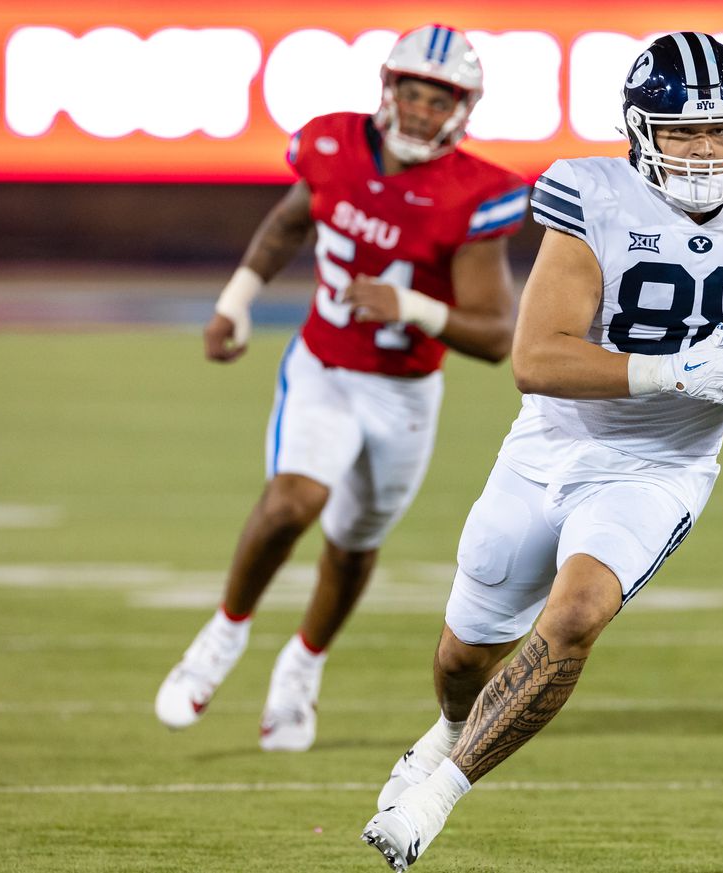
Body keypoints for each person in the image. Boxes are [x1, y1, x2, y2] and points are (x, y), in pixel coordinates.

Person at [360, 31, 723, 869]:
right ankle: (450, 728)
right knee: (464, 654)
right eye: (682, 131)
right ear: (641, 131)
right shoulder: (591, 195)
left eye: (721, 130)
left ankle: (436, 794)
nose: (705, 148)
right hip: (550, 447)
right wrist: (677, 370)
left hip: (659, 469)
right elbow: (536, 359)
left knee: (573, 619)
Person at [153, 24, 528, 753]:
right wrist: (235, 298)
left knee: (354, 544)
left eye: (439, 98)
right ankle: (224, 633)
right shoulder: (330, 144)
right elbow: (289, 223)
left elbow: (493, 335)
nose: (422, 111)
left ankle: (301, 666)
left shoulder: (477, 193)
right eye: (413, 93)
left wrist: (414, 308)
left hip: (404, 391)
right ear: (388, 90)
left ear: (464, 107)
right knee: (296, 497)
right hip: (323, 363)